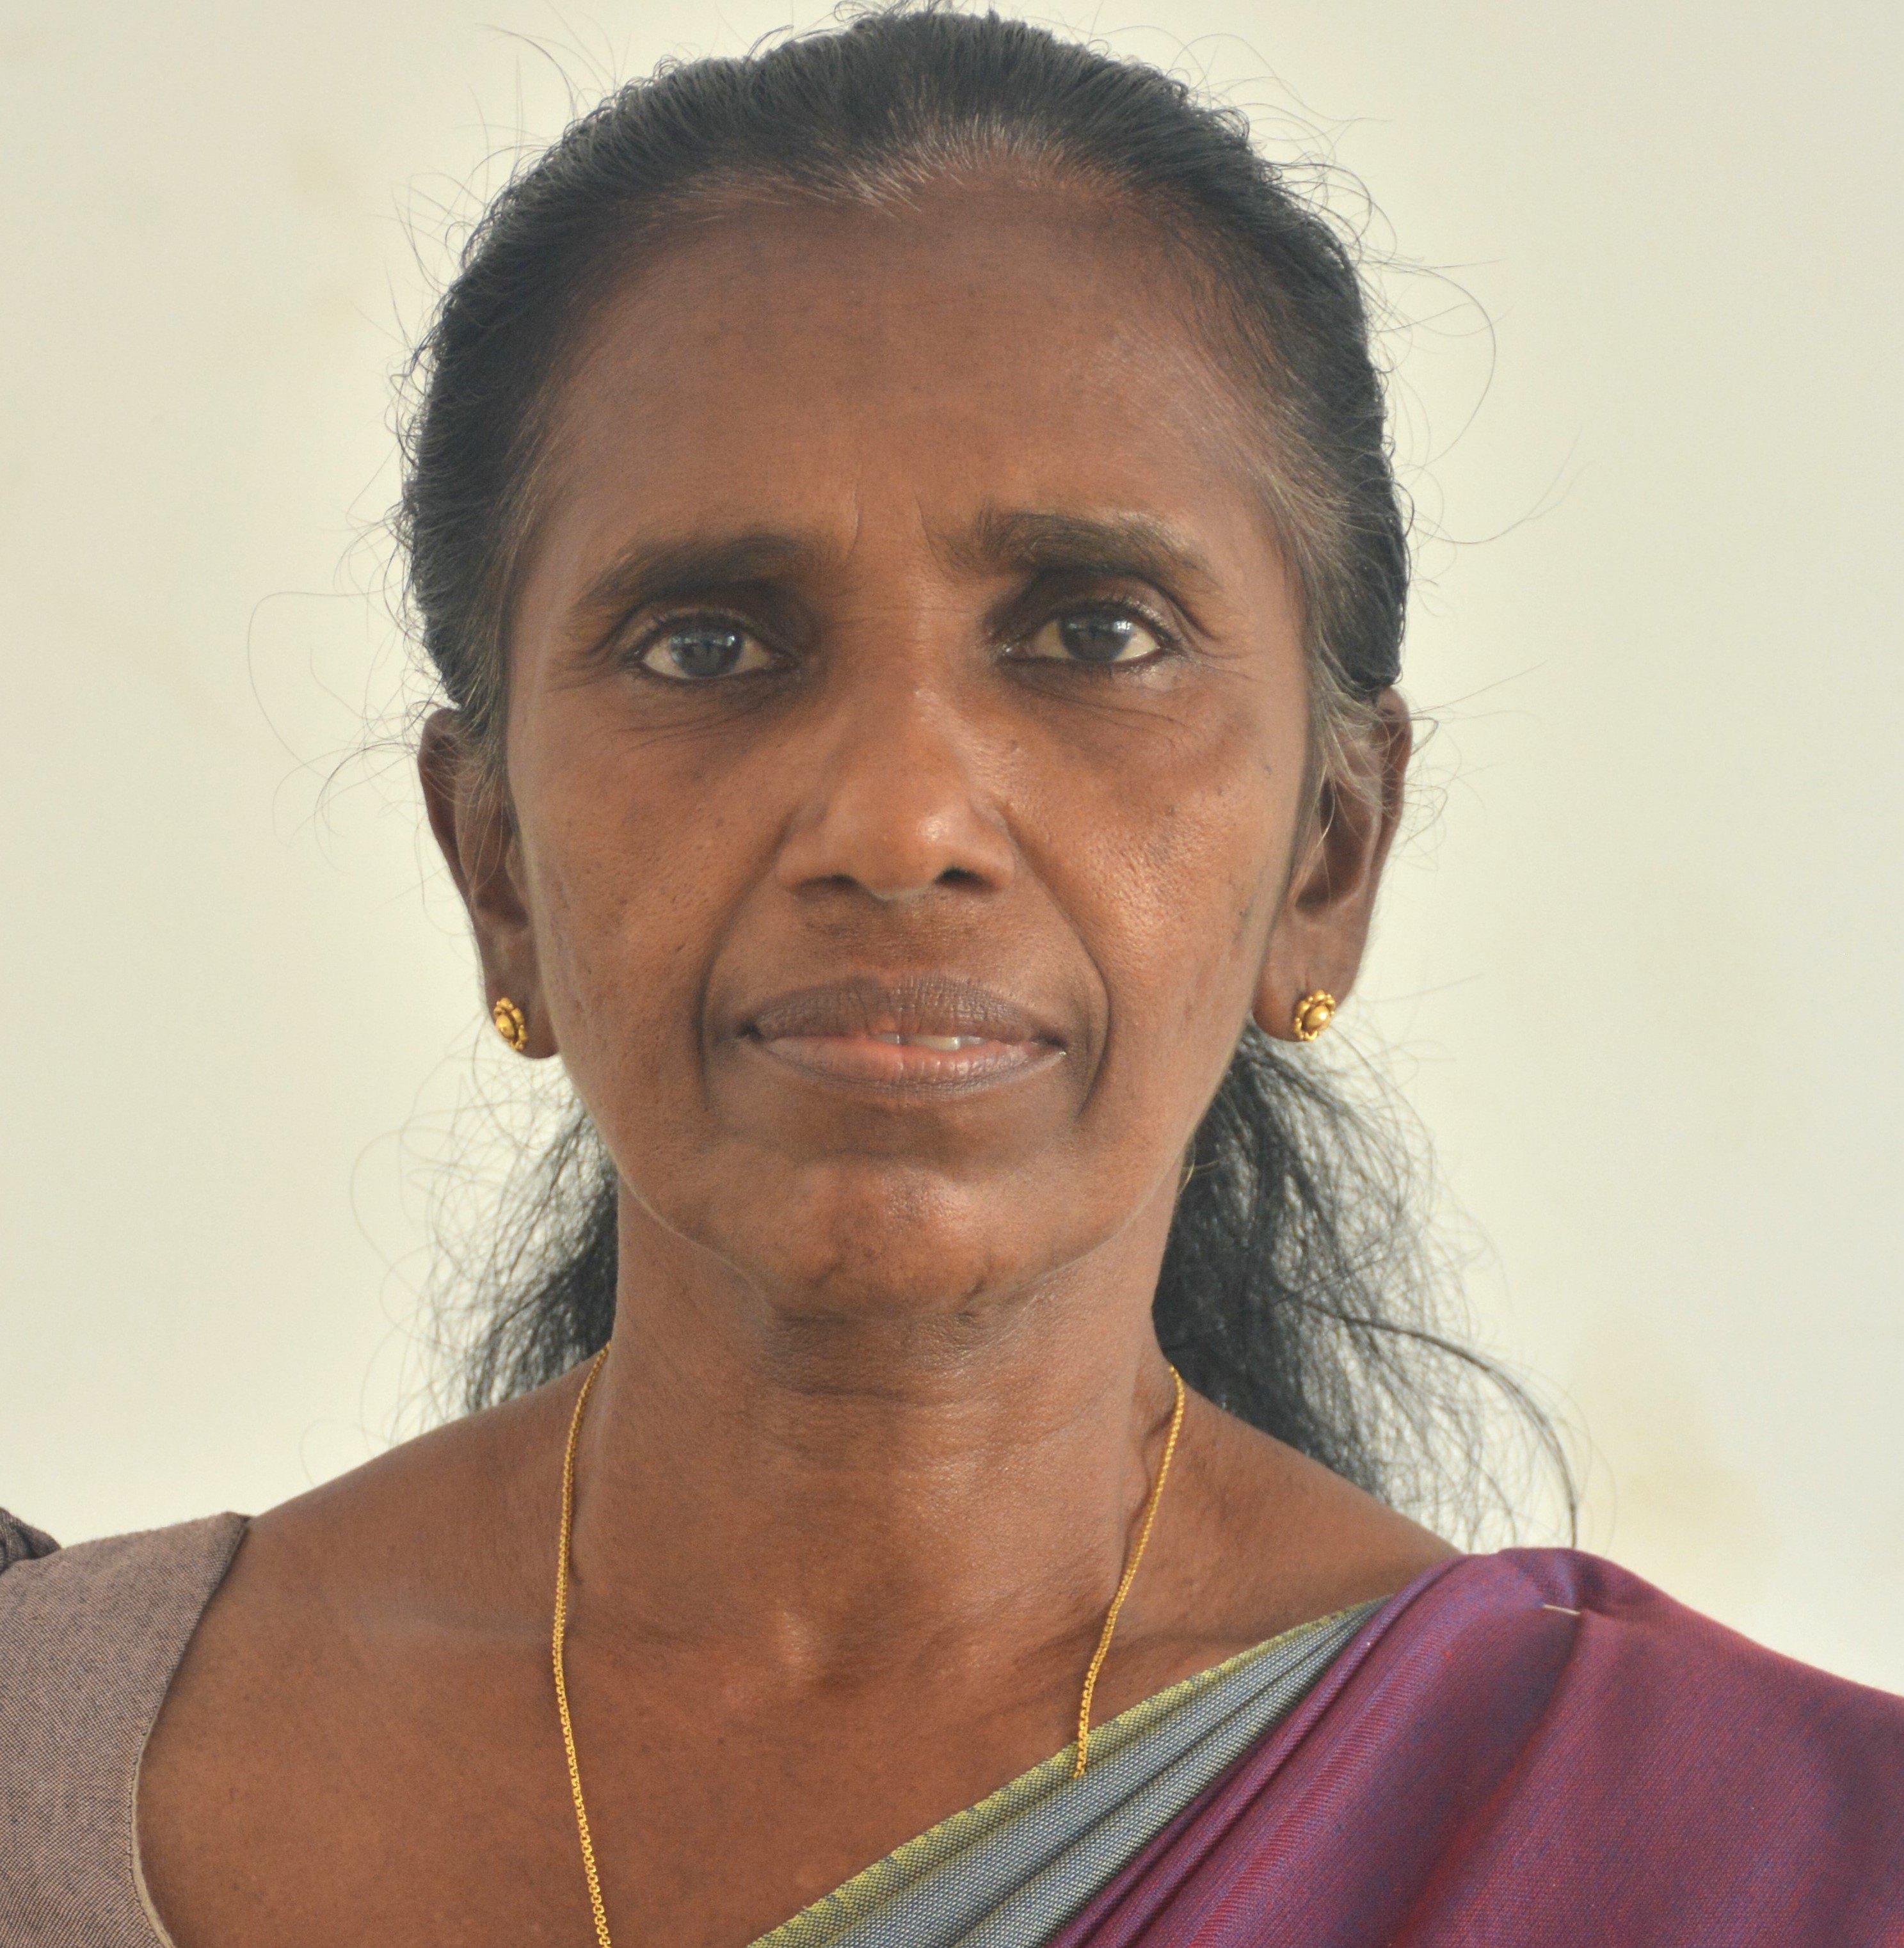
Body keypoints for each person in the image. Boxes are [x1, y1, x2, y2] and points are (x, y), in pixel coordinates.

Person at [3, 10, 1898, 1945]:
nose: (900, 823)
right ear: (494, 860)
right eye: (707, 646)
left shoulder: (1770, 1861)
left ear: (1329, 855)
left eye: (1095, 633)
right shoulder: (45, 1764)